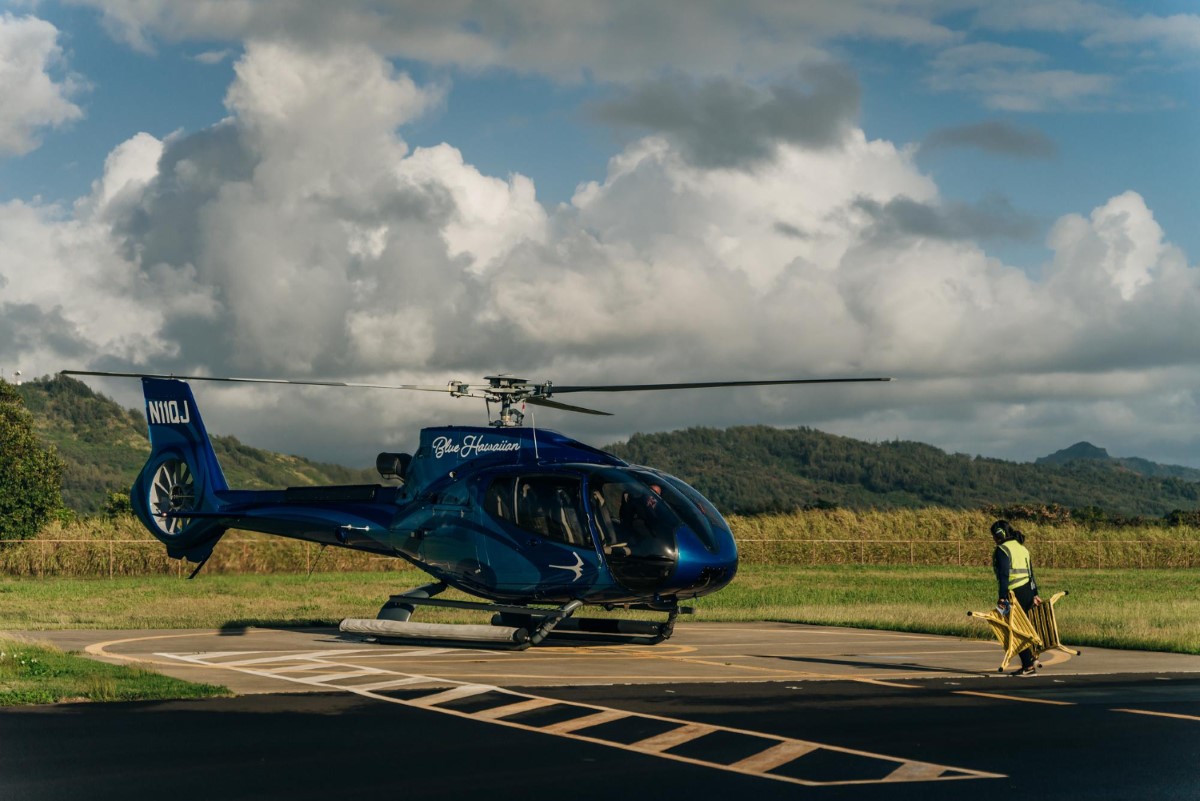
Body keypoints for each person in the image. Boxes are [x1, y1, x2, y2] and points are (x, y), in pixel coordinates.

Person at [991, 519, 1043, 675]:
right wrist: (1035, 594)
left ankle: (1028, 665)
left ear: (998, 535)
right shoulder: (1022, 548)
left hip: (1013, 594)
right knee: (1022, 626)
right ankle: (1031, 656)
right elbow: (1030, 573)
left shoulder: (1002, 550)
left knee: (1013, 629)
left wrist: (1002, 596)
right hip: (1027, 592)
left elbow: (1004, 575)